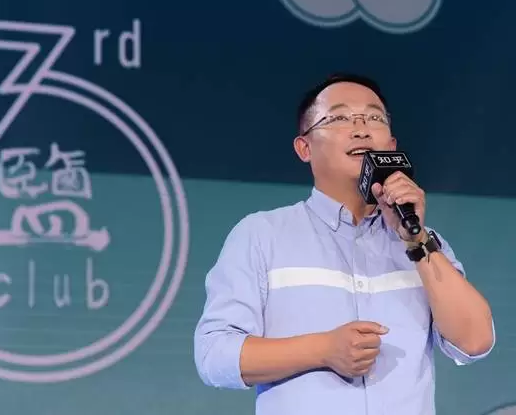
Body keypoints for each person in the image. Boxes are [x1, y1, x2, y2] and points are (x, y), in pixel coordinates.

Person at [193, 73, 495, 415]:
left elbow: (475, 341)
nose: (361, 129)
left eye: (374, 118)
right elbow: (214, 355)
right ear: (304, 148)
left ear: (391, 146)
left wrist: (416, 240)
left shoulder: (423, 242)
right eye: (339, 118)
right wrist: (323, 349)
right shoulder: (262, 234)